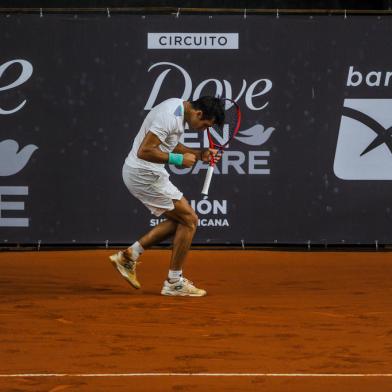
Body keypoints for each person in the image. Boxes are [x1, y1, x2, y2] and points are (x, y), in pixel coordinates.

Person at [110, 96, 225, 297]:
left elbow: (167, 144)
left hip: (145, 172)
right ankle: (174, 282)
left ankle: (129, 256)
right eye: (205, 124)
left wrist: (199, 154)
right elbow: (144, 151)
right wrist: (177, 159)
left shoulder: (178, 108)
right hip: (144, 174)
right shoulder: (170, 117)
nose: (203, 130)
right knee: (190, 221)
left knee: (181, 220)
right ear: (198, 113)